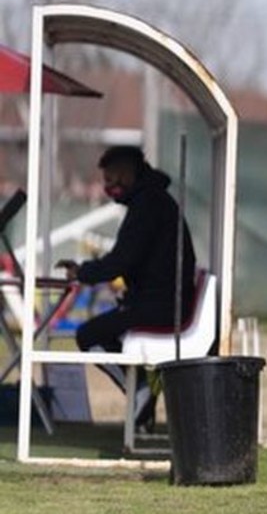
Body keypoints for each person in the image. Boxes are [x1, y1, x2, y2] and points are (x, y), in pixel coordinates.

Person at [64, 145, 196, 430]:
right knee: (104, 332)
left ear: (126, 174)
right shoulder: (151, 200)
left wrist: (82, 272)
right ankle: (140, 397)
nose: (108, 188)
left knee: (89, 335)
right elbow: (128, 258)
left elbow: (121, 261)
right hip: (162, 301)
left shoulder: (148, 205)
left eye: (111, 180)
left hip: (162, 306)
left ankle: (139, 391)